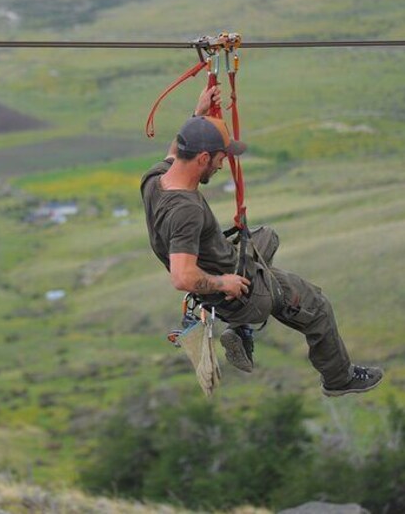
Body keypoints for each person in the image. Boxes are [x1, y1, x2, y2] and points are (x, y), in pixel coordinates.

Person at [140, 83, 383, 396]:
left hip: (223, 260)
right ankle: (339, 378)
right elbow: (182, 276)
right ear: (202, 158)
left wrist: (198, 115)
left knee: (267, 236)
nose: (222, 163)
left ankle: (239, 330)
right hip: (245, 293)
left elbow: (176, 150)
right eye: (219, 158)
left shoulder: (155, 178)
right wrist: (224, 284)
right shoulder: (186, 212)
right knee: (317, 306)